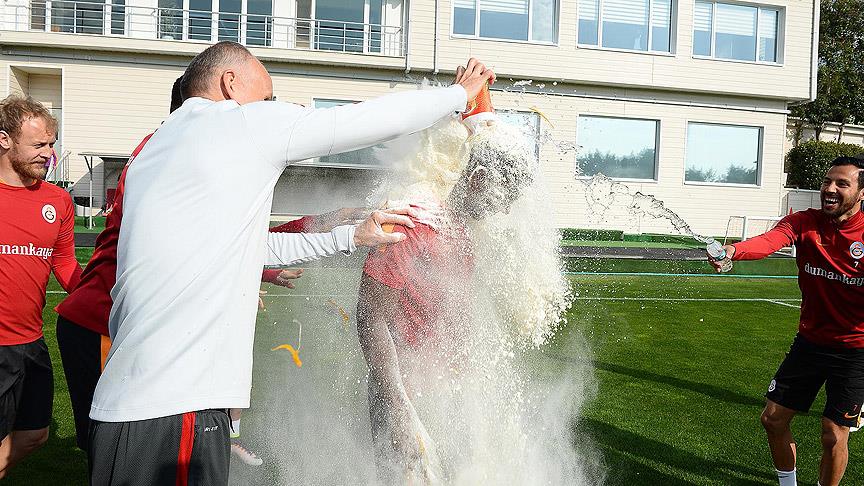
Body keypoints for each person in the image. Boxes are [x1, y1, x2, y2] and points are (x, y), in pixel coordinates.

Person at [87, 40, 494, 485]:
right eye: (267, 97)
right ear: (230, 84)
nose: (272, 107)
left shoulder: (154, 150)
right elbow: (363, 121)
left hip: (120, 408)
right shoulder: (238, 123)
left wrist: (348, 237)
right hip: (177, 405)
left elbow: (244, 248)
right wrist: (459, 95)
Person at [52, 77, 365, 468]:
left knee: (138, 451)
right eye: (257, 102)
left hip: (125, 323)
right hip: (102, 321)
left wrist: (271, 265)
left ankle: (220, 437)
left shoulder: (169, 150)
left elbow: (220, 240)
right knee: (120, 455)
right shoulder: (170, 154)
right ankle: (219, 438)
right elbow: (220, 239)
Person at [356, 112, 536, 483]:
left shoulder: (460, 231)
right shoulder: (413, 222)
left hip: (444, 392)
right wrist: (398, 404)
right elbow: (370, 313)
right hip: (404, 395)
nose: (505, 208)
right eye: (506, 195)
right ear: (479, 178)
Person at [708, 155, 864, 486]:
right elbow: (769, 241)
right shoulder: (804, 221)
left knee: (833, 433)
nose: (830, 189)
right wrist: (733, 251)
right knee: (773, 419)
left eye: (842, 183)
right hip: (810, 344)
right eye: (827, 181)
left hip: (856, 351)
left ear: (861, 192)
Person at [0, 96, 82, 477]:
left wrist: (104, 298)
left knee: (34, 433)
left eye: (51, 144)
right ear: (4, 140)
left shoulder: (58, 201)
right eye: (38, 145)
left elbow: (65, 265)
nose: (49, 153)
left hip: (31, 342)